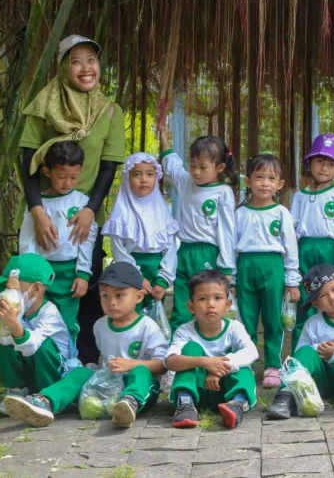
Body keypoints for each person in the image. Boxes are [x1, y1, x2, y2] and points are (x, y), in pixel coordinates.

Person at [18, 35, 126, 364]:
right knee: (37, 286)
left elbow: (108, 166)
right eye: (76, 61)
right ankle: (36, 358)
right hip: (45, 215)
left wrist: (91, 210)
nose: (85, 68)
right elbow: (27, 159)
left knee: (86, 287)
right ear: (65, 68)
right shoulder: (43, 106)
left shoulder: (110, 112)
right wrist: (37, 211)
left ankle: (85, 362)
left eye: (91, 60)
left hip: (84, 218)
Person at [3, 263, 168, 428]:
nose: (112, 302)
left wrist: (130, 365)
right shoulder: (100, 326)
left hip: (141, 389)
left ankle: (128, 404)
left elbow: (162, 365)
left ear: (139, 297)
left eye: (120, 295)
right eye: (105, 296)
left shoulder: (147, 327)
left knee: (140, 372)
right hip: (109, 386)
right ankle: (45, 401)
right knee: (81, 373)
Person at [267, 264, 334, 420]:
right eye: (323, 295)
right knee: (305, 351)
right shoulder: (313, 324)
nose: (332, 297)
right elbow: (299, 358)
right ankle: (285, 396)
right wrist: (323, 348)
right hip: (317, 385)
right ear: (315, 303)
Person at [159, 130, 238, 331]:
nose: (196, 172)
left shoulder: (223, 192)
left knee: (207, 307)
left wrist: (227, 268)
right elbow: (171, 165)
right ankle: (178, 345)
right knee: (181, 306)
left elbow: (227, 231)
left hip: (208, 254)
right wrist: (164, 139)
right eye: (192, 165)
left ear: (220, 167)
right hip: (184, 252)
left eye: (203, 167)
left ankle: (211, 344)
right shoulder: (186, 182)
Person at [18, 140, 97, 343]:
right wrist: (28, 275)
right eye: (62, 177)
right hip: (41, 275)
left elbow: (86, 242)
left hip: (69, 275)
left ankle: (67, 357)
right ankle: (41, 356)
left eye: (73, 177)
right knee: (38, 320)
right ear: (47, 172)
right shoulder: (38, 206)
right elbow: (27, 242)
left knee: (67, 321)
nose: (67, 183)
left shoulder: (82, 204)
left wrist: (83, 274)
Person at [233, 154, 300, 388]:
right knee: (246, 318)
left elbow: (291, 249)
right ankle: (247, 363)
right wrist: (231, 279)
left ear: (280, 184)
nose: (265, 183)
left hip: (273, 266)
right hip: (246, 265)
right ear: (248, 181)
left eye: (271, 178)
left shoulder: (281, 213)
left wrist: (292, 281)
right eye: (259, 177)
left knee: (273, 319)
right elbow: (231, 247)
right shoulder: (240, 214)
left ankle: (273, 365)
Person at [289, 133, 334, 347]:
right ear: (309, 162)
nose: (324, 168)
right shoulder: (299, 196)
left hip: (330, 252)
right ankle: (301, 352)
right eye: (319, 160)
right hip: (303, 250)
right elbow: (292, 230)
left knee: (332, 299)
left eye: (331, 164)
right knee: (304, 300)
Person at [167, 270, 258, 429]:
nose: (211, 304)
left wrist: (218, 369)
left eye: (218, 298)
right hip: (197, 391)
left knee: (244, 367)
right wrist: (205, 362)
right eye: (202, 298)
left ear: (228, 305)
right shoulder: (185, 331)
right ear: (191, 306)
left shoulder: (234, 328)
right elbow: (170, 361)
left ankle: (237, 405)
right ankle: (185, 404)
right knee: (192, 348)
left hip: (226, 392)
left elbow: (252, 352)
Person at [0, 255, 77, 401]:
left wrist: (14, 324)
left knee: (43, 347)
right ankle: (16, 391)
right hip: (32, 372)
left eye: (16, 288)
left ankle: (46, 398)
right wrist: (4, 323)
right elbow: (4, 340)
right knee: (3, 347)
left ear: (36, 289)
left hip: (54, 376)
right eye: (8, 288)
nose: (9, 292)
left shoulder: (50, 313)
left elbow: (33, 345)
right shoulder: (18, 310)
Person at [102, 153, 179, 312]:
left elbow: (170, 250)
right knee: (129, 315)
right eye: (136, 175)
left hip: (157, 274)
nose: (144, 179)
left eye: (150, 174)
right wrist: (138, 278)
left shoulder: (162, 212)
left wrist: (163, 280)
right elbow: (119, 251)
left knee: (154, 317)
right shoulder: (122, 213)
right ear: (127, 178)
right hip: (129, 274)